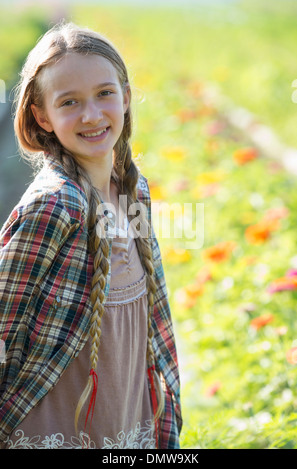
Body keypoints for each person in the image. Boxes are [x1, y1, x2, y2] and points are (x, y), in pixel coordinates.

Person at [0, 22, 182, 449]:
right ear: (42, 116)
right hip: (58, 425)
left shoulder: (134, 190)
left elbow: (149, 317)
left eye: (104, 94)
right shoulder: (54, 207)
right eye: (69, 102)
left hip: (125, 418)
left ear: (126, 96)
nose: (92, 115)